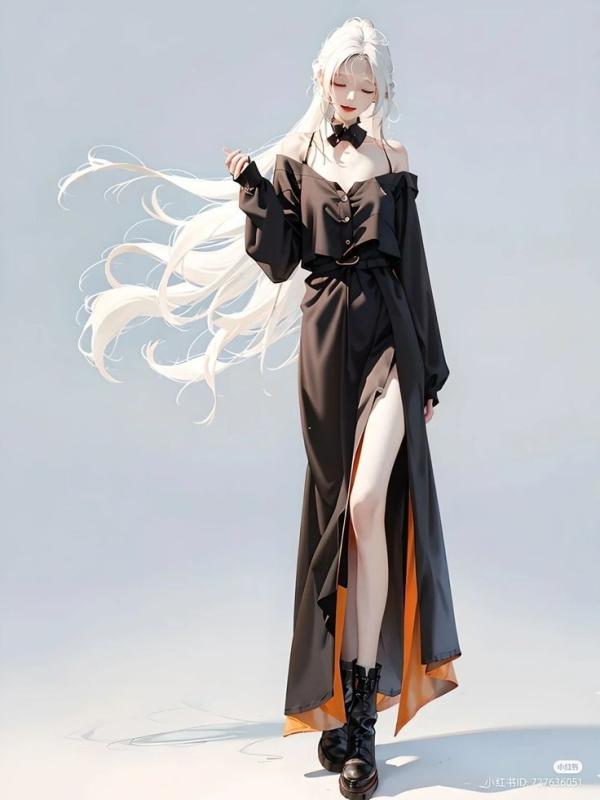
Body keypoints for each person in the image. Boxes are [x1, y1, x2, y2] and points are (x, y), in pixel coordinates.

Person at [58, 16, 461, 800]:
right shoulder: (294, 159)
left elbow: (414, 266)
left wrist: (432, 374)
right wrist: (253, 189)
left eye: (367, 85)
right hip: (326, 350)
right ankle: (343, 706)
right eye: (342, 81)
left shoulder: (395, 159)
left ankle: (361, 728)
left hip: (391, 340)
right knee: (343, 524)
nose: (352, 95)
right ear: (321, 79)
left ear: (382, 90)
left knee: (372, 503)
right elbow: (279, 262)